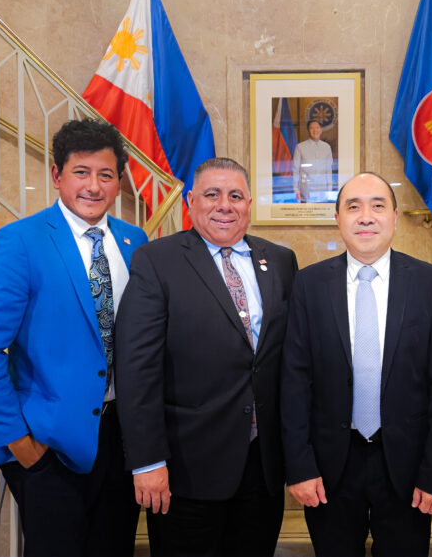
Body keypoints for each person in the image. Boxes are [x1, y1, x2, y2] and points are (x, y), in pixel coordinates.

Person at [0, 119, 148, 557]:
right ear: (58, 176)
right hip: (49, 447)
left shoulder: (135, 242)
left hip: (122, 441)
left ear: (120, 181)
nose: (94, 186)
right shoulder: (18, 242)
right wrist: (21, 448)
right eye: (81, 172)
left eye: (106, 174)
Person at [115, 157, 298, 557]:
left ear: (249, 203)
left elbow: (288, 363)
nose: (224, 205)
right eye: (212, 195)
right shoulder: (156, 261)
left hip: (262, 467)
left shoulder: (281, 261)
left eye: (235, 196)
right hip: (186, 470)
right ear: (190, 202)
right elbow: (136, 368)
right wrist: (147, 463)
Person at [281, 172, 432, 556]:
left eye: (378, 205)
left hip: (407, 468)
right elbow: (294, 382)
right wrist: (299, 466)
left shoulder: (431, 284)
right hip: (330, 467)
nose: (366, 216)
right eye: (353, 206)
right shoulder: (308, 285)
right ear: (337, 218)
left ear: (395, 217)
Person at [292, 119, 334, 202]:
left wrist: (330, 189)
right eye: (312, 128)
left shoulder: (326, 147)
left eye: (317, 128)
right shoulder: (300, 147)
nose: (315, 130)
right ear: (308, 130)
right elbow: (295, 170)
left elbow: (329, 170)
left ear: (321, 130)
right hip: (306, 190)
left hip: (322, 190)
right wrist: (295, 189)